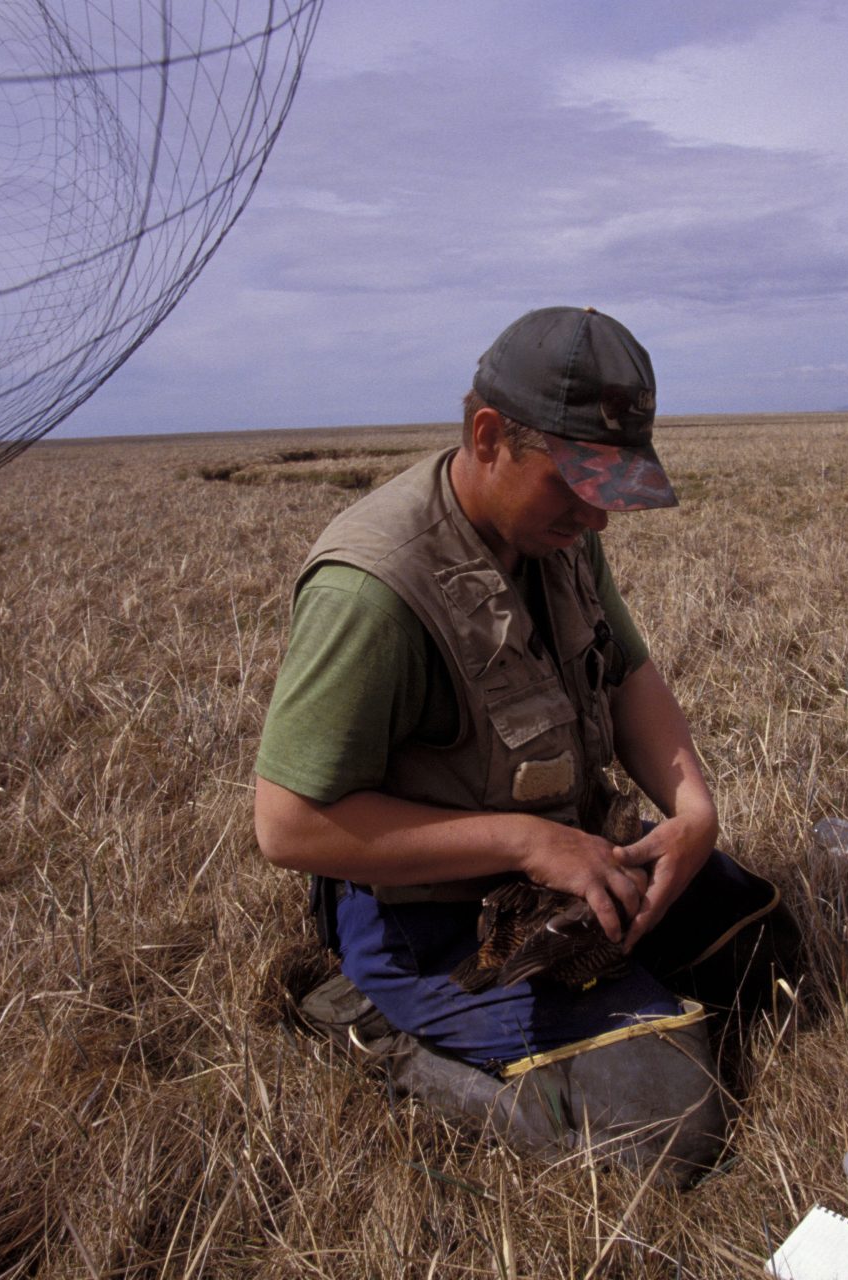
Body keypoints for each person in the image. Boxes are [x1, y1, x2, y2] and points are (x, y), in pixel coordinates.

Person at [253, 306, 794, 1183]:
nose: (598, 517)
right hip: (432, 919)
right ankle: (379, 1026)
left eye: (610, 486)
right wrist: (527, 842)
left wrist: (694, 811)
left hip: (566, 869)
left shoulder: (556, 535)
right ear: (489, 437)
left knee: (765, 949)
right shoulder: (372, 590)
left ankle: (612, 1002)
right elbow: (288, 827)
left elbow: (627, 675)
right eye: (575, 483)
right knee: (669, 1129)